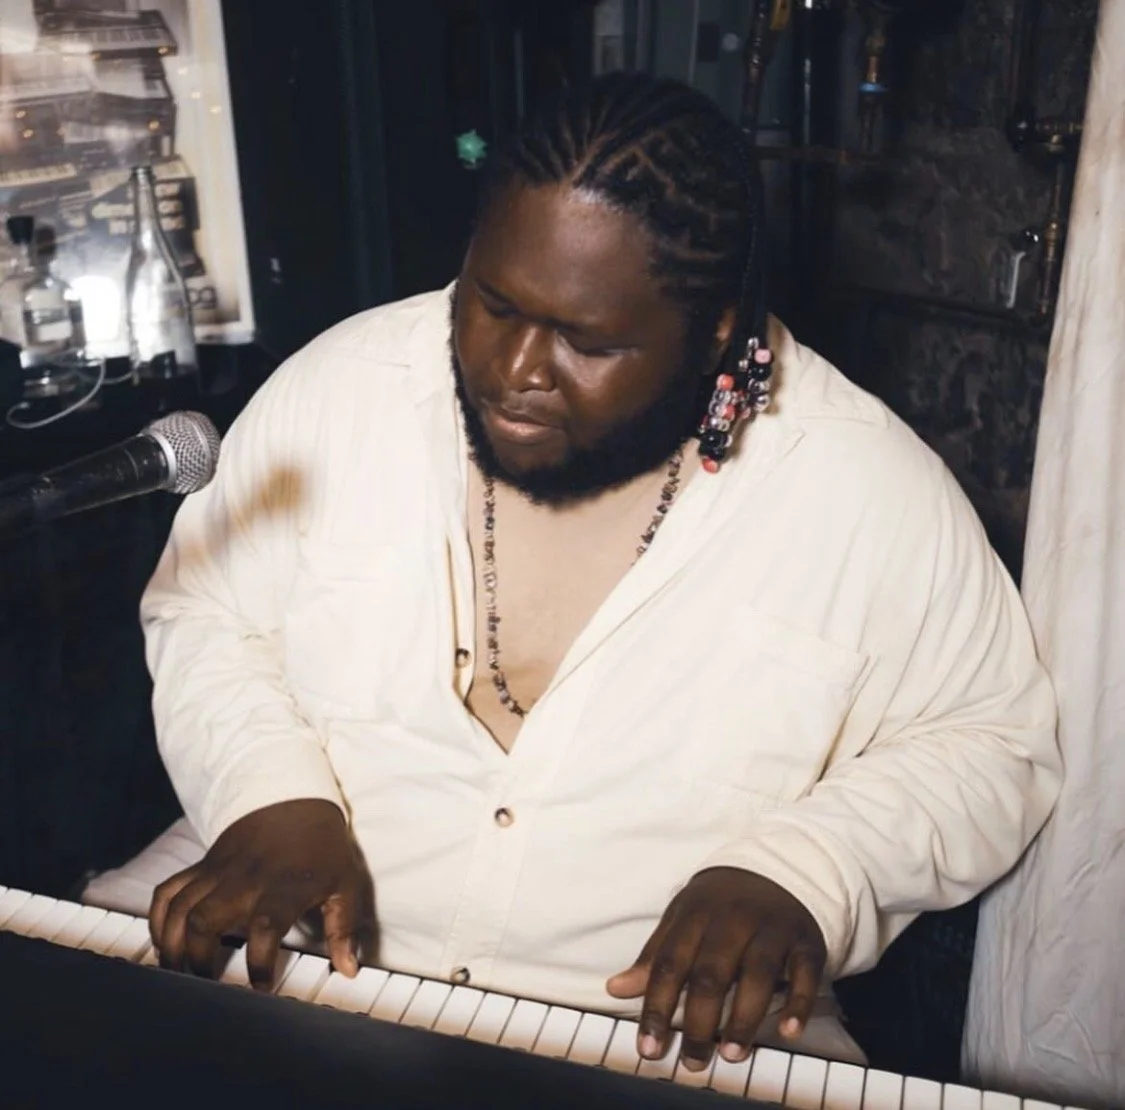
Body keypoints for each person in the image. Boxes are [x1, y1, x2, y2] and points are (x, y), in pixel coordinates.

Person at [85, 72, 1060, 1072]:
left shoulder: (867, 489)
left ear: (716, 331)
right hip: (296, 949)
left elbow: (991, 741)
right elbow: (206, 607)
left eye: (586, 342)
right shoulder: (343, 386)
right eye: (493, 305)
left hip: (661, 1025)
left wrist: (808, 872)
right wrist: (266, 792)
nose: (515, 372)